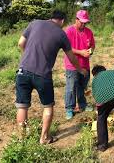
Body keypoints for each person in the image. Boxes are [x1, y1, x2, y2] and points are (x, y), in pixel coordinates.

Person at [15, 10, 87, 144]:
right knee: (48, 106)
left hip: (22, 71)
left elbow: (20, 43)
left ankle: (21, 140)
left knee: (22, 107)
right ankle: (44, 138)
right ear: (62, 21)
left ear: (51, 18)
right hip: (43, 75)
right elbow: (71, 56)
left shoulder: (34, 23)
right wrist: (80, 69)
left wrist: (28, 56)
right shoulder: (61, 34)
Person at [64, 10, 95, 119]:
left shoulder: (89, 32)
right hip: (72, 64)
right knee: (71, 87)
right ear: (76, 19)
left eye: (85, 22)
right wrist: (81, 52)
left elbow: (92, 46)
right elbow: (67, 48)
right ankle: (69, 108)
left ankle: (82, 104)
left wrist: (90, 51)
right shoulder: (69, 31)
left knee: (82, 86)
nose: (83, 24)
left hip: (85, 64)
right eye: (81, 22)